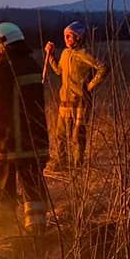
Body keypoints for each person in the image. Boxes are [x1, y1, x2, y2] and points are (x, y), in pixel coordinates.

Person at [0, 22, 49, 233]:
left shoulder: (2, 69)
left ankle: (5, 227)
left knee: (4, 183)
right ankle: (37, 228)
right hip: (36, 138)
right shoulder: (32, 65)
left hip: (10, 141)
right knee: (33, 182)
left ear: (3, 45)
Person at [44, 21, 107, 168]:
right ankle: (62, 162)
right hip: (64, 103)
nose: (66, 39)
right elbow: (59, 71)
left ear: (78, 37)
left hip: (80, 103)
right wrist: (51, 55)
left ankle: (77, 165)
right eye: (65, 36)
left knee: (77, 136)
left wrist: (89, 86)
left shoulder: (84, 54)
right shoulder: (65, 53)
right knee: (60, 135)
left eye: (69, 36)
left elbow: (103, 67)